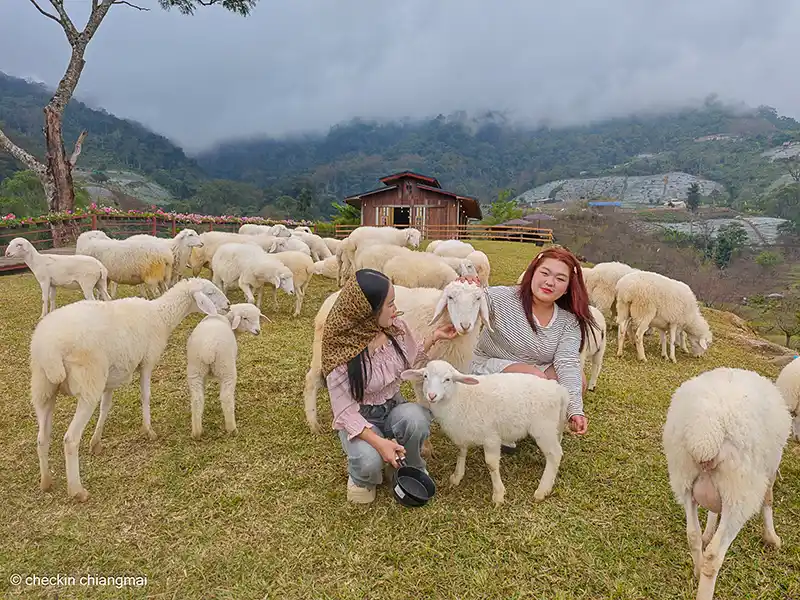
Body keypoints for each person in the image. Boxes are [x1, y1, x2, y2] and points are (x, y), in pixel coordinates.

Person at [321, 268, 458, 504]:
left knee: (417, 418)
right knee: (368, 461)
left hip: (392, 406)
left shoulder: (395, 328)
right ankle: (361, 477)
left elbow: (410, 356)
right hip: (359, 419)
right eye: (390, 304)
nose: (395, 309)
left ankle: (410, 465)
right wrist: (379, 443)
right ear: (368, 311)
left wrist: (435, 336)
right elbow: (344, 412)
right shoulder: (341, 349)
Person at [464, 246, 596, 441]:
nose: (550, 282)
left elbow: (567, 362)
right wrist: (466, 288)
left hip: (534, 370)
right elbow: (471, 300)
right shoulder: (500, 298)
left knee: (577, 379)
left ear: (568, 286)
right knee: (535, 378)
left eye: (560, 279)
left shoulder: (568, 322)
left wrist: (575, 409)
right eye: (545, 273)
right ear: (532, 272)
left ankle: (531, 422)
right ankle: (501, 427)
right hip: (491, 365)